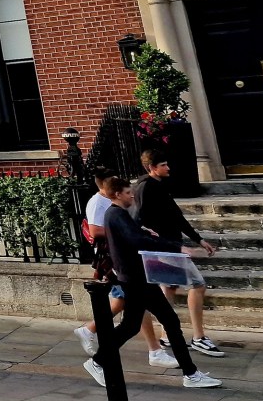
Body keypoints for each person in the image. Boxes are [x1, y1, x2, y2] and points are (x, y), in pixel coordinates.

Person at [83, 177, 221, 390]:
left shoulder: (116, 214)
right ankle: (191, 374)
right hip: (136, 280)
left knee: (131, 326)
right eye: (128, 192)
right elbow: (137, 241)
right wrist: (177, 247)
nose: (132, 195)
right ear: (118, 194)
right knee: (169, 322)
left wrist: (144, 231)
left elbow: (134, 236)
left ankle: (98, 361)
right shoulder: (116, 214)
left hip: (135, 278)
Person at [134, 149, 224, 358]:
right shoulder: (146, 188)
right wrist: (150, 235)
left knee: (170, 288)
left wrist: (198, 239)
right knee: (198, 285)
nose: (168, 168)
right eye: (163, 164)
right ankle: (199, 337)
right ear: (152, 168)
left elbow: (176, 217)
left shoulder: (158, 186)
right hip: (165, 247)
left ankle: (166, 334)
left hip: (171, 243)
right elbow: (139, 218)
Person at [75, 174, 168, 366]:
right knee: (130, 312)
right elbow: (95, 231)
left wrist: (135, 230)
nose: (130, 195)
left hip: (126, 262)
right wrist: (128, 232)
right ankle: (153, 350)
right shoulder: (101, 205)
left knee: (128, 309)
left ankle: (153, 350)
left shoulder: (115, 207)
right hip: (116, 261)